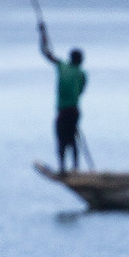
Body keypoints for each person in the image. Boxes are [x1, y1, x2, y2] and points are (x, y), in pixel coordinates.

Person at [42, 34, 89, 170]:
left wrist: (42, 35)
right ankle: (75, 167)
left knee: (62, 139)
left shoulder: (62, 67)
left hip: (63, 111)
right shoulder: (81, 73)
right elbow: (81, 91)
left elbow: (46, 53)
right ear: (79, 60)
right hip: (74, 111)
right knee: (72, 139)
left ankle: (63, 168)